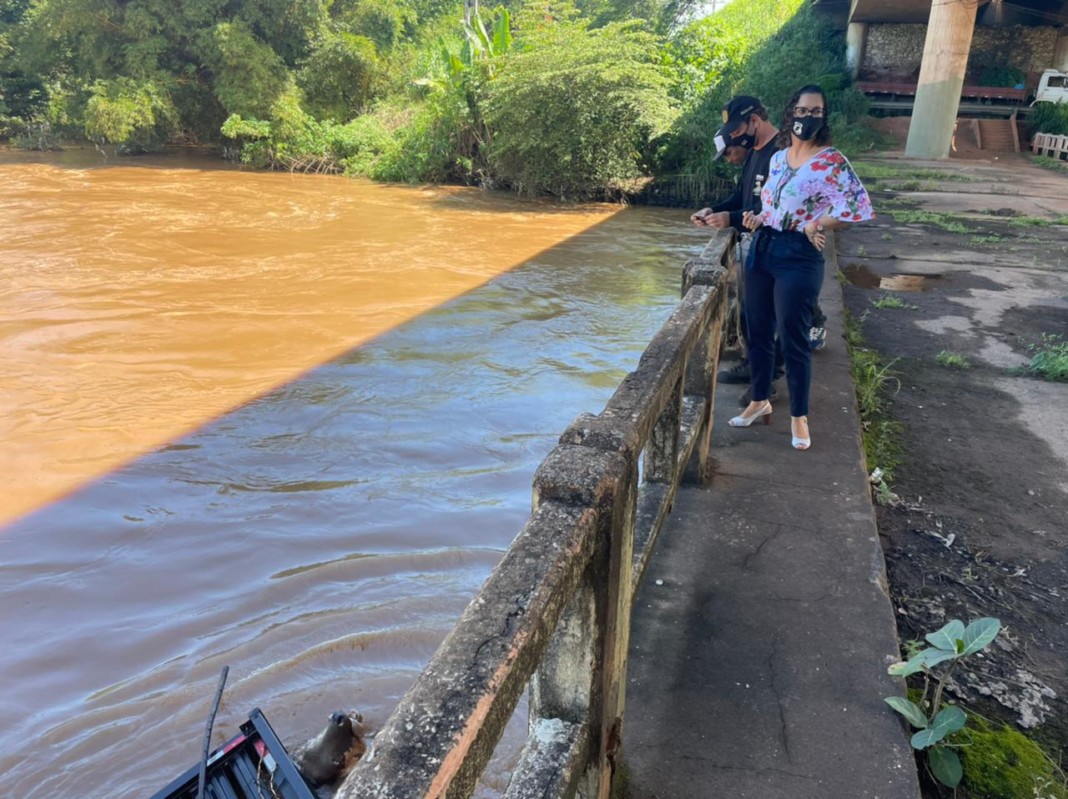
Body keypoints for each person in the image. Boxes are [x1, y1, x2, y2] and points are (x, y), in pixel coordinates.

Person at [730, 84, 873, 450]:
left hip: (798, 255)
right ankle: (759, 400)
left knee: (793, 337)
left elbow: (856, 208)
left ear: (823, 117)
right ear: (791, 112)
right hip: (763, 248)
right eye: (803, 110)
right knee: (758, 330)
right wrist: (757, 218)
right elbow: (773, 207)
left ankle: (799, 417)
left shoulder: (831, 161)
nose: (808, 117)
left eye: (816, 112)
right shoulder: (778, 158)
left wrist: (817, 223)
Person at [689, 95, 785, 405]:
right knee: (749, 314)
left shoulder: (781, 155)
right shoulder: (755, 153)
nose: (732, 153)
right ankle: (753, 368)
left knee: (766, 318)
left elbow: (774, 209)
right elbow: (740, 199)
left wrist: (730, 219)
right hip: (754, 248)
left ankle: (766, 382)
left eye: (736, 134)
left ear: (754, 120)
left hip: (775, 248)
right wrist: (714, 210)